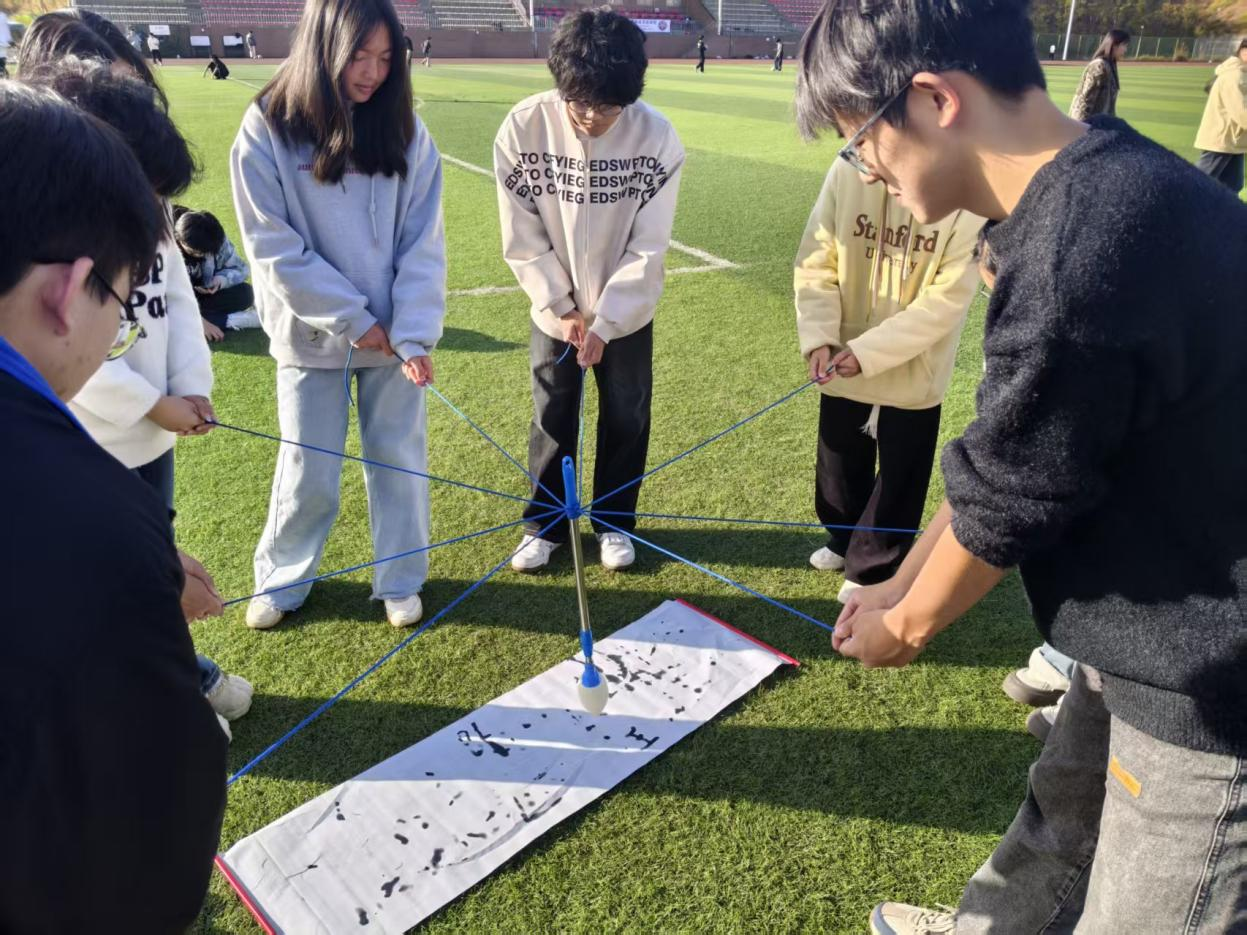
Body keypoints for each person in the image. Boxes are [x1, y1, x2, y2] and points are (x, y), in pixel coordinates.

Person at [796, 0, 1247, 931]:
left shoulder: (1079, 248)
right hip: (1139, 621)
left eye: (861, 139)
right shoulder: (1102, 176)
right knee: (1059, 829)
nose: (865, 168)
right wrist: (895, 585)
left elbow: (1014, 497)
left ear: (933, 100)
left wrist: (905, 622)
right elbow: (1006, 453)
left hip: (1213, 667)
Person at [0, 79, 226, 934]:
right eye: (122, 310)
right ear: (69, 291)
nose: (115, 338)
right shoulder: (94, 523)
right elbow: (146, 832)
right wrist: (135, 581)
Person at [231, 0, 446, 631]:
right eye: (359, 55)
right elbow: (272, 245)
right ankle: (282, 579)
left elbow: (423, 243)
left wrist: (411, 334)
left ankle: (400, 578)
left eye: (386, 58)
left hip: (394, 341)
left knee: (399, 460)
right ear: (324, 45)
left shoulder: (406, 129)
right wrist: (353, 318)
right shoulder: (268, 124)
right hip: (307, 333)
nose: (373, 73)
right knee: (309, 469)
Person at [494, 9, 684, 572]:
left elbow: (649, 245)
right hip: (553, 310)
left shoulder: (657, 137)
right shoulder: (523, 127)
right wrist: (560, 306)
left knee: (626, 414)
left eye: (609, 107)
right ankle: (545, 524)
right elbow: (521, 232)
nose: (594, 117)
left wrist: (606, 321)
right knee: (552, 413)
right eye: (580, 103)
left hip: (627, 313)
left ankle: (614, 523)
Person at [795, 158, 982, 602]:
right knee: (838, 465)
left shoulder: (964, 188)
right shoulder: (847, 168)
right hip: (842, 354)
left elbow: (947, 299)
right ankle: (843, 538)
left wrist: (870, 352)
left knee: (901, 474)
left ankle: (873, 565)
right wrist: (819, 336)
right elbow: (817, 257)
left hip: (916, 365)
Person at [173, 207, 259, 341]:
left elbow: (239, 268)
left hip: (202, 300)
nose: (202, 255)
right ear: (178, 240)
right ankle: (234, 320)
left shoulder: (214, 236)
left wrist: (219, 280)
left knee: (246, 293)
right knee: (169, 324)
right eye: (195, 252)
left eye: (207, 252)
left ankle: (200, 322)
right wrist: (200, 321)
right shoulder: (160, 250)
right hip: (172, 305)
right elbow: (158, 297)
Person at [1194, 36, 1247, 193]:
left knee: (1232, 186)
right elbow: (1241, 113)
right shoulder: (1234, 76)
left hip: (1233, 141)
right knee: (1198, 185)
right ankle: (1178, 207)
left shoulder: (1239, 74)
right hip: (1222, 140)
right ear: (1243, 52)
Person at [1069, 28, 1129, 121]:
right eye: (1124, 45)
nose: (1125, 50)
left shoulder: (1110, 65)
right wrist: (1082, 127)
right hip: (1089, 124)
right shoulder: (1099, 66)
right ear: (1114, 45)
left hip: (1100, 124)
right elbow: (1085, 101)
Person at [0, 12, 11, 78]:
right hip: (4, 43)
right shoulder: (3, 16)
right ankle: (2, 71)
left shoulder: (3, 16)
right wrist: (10, 40)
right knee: (2, 59)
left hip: (3, 43)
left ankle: (2, 71)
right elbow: (6, 30)